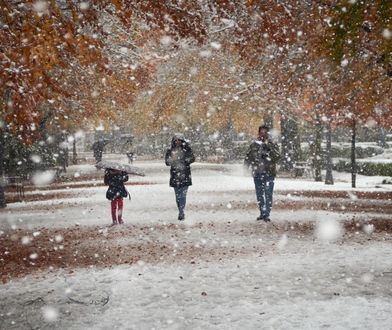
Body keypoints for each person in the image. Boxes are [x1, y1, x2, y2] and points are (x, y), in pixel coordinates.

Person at [244, 125, 280, 222]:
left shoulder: (272, 144)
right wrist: (246, 167)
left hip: (269, 174)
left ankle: (267, 214)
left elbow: (277, 157)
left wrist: (268, 149)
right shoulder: (254, 145)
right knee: (260, 194)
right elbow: (248, 157)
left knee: (268, 194)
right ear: (259, 133)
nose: (263, 135)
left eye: (265, 133)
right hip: (257, 173)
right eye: (261, 132)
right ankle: (262, 212)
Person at [165, 133, 195, 221]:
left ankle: (181, 212)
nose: (177, 142)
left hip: (185, 174)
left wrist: (185, 160)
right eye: (176, 140)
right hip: (175, 175)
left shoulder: (187, 149)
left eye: (179, 140)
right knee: (178, 196)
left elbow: (192, 158)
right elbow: (167, 162)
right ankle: (180, 210)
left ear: (182, 141)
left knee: (183, 195)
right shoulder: (170, 150)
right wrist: (172, 159)